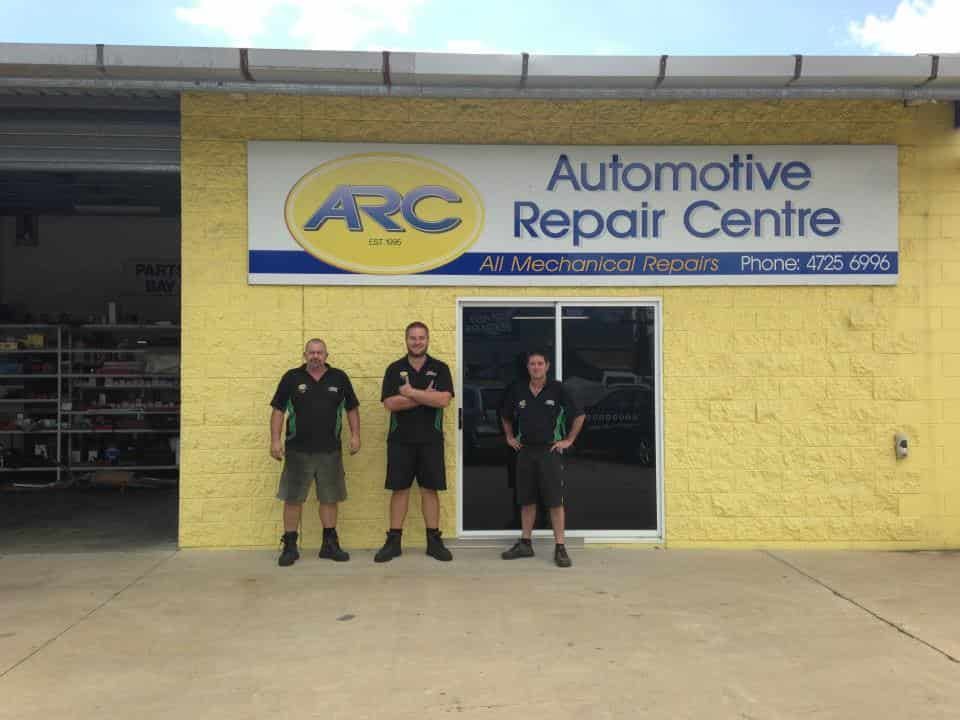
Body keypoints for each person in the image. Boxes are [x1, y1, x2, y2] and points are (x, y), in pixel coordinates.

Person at [270, 339, 360, 567]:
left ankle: (329, 545)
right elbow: (278, 410)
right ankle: (290, 545)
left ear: (326, 355)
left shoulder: (339, 378)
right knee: (293, 498)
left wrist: (355, 435)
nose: (315, 356)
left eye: (319, 352)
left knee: (330, 498)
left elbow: (352, 408)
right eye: (311, 352)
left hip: (330, 450)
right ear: (304, 355)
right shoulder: (291, 378)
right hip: (297, 450)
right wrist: (275, 440)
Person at [376, 321, 454, 562]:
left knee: (429, 490)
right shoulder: (394, 369)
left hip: (430, 440)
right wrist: (425, 396)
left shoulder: (440, 368)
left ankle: (433, 541)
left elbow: (443, 400)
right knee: (399, 489)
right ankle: (394, 541)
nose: (417, 341)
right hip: (400, 441)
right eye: (413, 338)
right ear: (406, 339)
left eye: (421, 337)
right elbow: (390, 404)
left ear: (427, 340)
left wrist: (410, 393)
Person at [499, 350, 585, 568]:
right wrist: (509, 437)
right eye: (532, 364)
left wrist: (568, 440)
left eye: (540, 363)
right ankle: (526, 543)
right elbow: (505, 415)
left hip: (550, 452)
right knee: (527, 500)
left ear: (547, 366)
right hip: (525, 451)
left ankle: (560, 547)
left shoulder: (558, 389)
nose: (536, 367)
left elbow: (580, 415)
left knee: (555, 501)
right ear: (527, 367)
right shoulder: (518, 390)